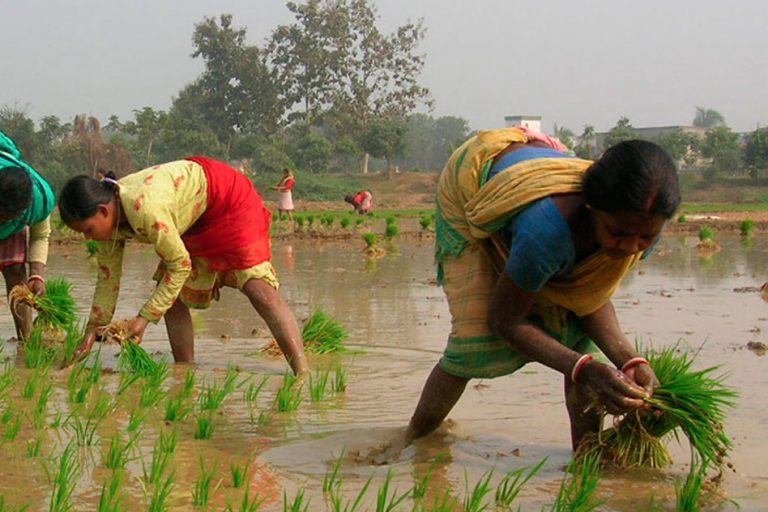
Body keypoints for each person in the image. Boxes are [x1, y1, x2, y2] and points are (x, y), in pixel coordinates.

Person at [395, 127, 680, 454]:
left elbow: (588, 296)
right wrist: (582, 368)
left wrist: (631, 362)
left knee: (581, 341)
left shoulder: (641, 223)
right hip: (472, 181)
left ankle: (586, 456)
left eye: (645, 238)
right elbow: (505, 320)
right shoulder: (546, 230)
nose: (631, 246)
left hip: (536, 170)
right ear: (592, 207)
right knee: (472, 343)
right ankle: (412, 442)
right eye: (618, 233)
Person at [58, 157, 309, 375]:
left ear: (103, 211)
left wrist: (144, 318)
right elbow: (107, 280)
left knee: (259, 291)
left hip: (228, 201)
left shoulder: (144, 209)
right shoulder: (110, 227)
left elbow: (180, 266)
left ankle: (302, 372)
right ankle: (184, 371)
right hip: (194, 216)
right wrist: (92, 331)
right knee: (171, 298)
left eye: (88, 230)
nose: (87, 238)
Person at [0, 131, 55, 341]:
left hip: (16, 225)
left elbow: (40, 235)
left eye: (7, 216)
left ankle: (27, 340)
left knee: (15, 270)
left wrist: (37, 275)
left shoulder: (39, 199)